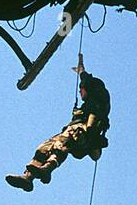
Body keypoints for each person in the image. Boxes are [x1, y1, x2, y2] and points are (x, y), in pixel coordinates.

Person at [6, 53, 110, 192]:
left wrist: (83, 74)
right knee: (44, 147)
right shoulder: (86, 107)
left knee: (62, 143)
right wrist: (81, 71)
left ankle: (48, 168)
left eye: (82, 89)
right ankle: (28, 177)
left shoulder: (98, 105)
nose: (80, 92)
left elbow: (92, 87)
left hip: (81, 136)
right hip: (72, 132)